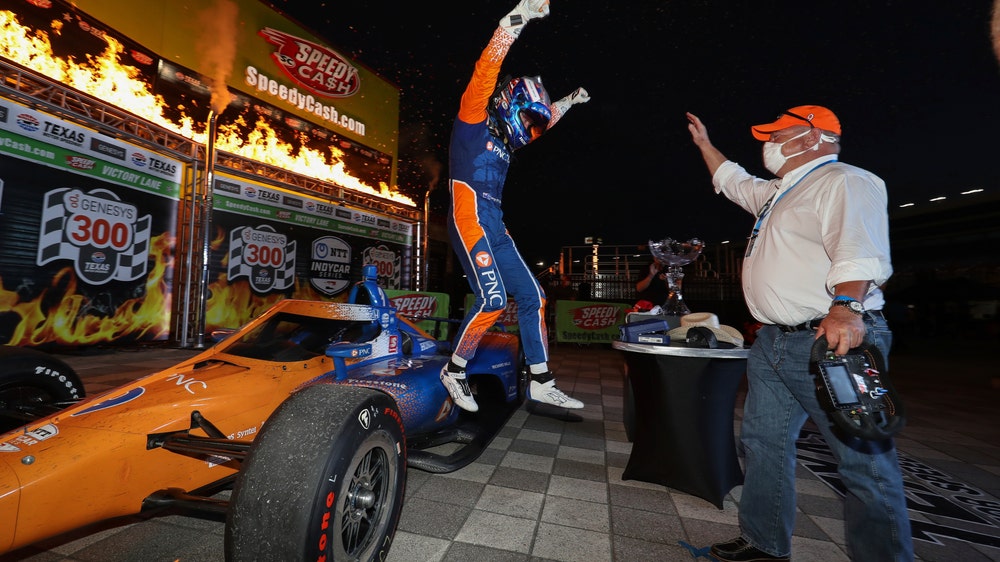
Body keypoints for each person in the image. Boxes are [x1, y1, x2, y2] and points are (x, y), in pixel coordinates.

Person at [686, 106, 913, 562]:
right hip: (773, 342)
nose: (767, 143)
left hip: (827, 341)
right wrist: (706, 146)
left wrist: (846, 308)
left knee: (863, 461)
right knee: (763, 443)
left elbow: (859, 248)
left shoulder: (844, 180)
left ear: (813, 138)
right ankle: (764, 542)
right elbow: (734, 182)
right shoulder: (779, 193)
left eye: (778, 134)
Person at [440, 0, 589, 413]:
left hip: (496, 225)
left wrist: (569, 102)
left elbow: (543, 124)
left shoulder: (510, 138)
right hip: (467, 217)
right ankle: (454, 371)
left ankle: (541, 380)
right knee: (492, 300)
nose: (530, 131)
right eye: (528, 120)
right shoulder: (472, 120)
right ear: (508, 102)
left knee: (533, 296)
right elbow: (485, 70)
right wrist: (517, 19)